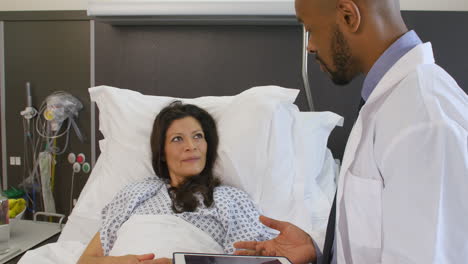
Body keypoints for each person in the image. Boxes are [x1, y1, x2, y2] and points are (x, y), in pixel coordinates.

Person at [234, 0, 468, 263]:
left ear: (348, 16)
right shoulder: (390, 103)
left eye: (311, 29)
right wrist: (323, 249)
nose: (310, 46)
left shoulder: (424, 120)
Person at [77, 102, 276, 264]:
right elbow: (86, 261)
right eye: (177, 139)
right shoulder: (135, 192)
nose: (191, 146)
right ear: (162, 152)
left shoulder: (230, 199)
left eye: (198, 136)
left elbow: (248, 261)